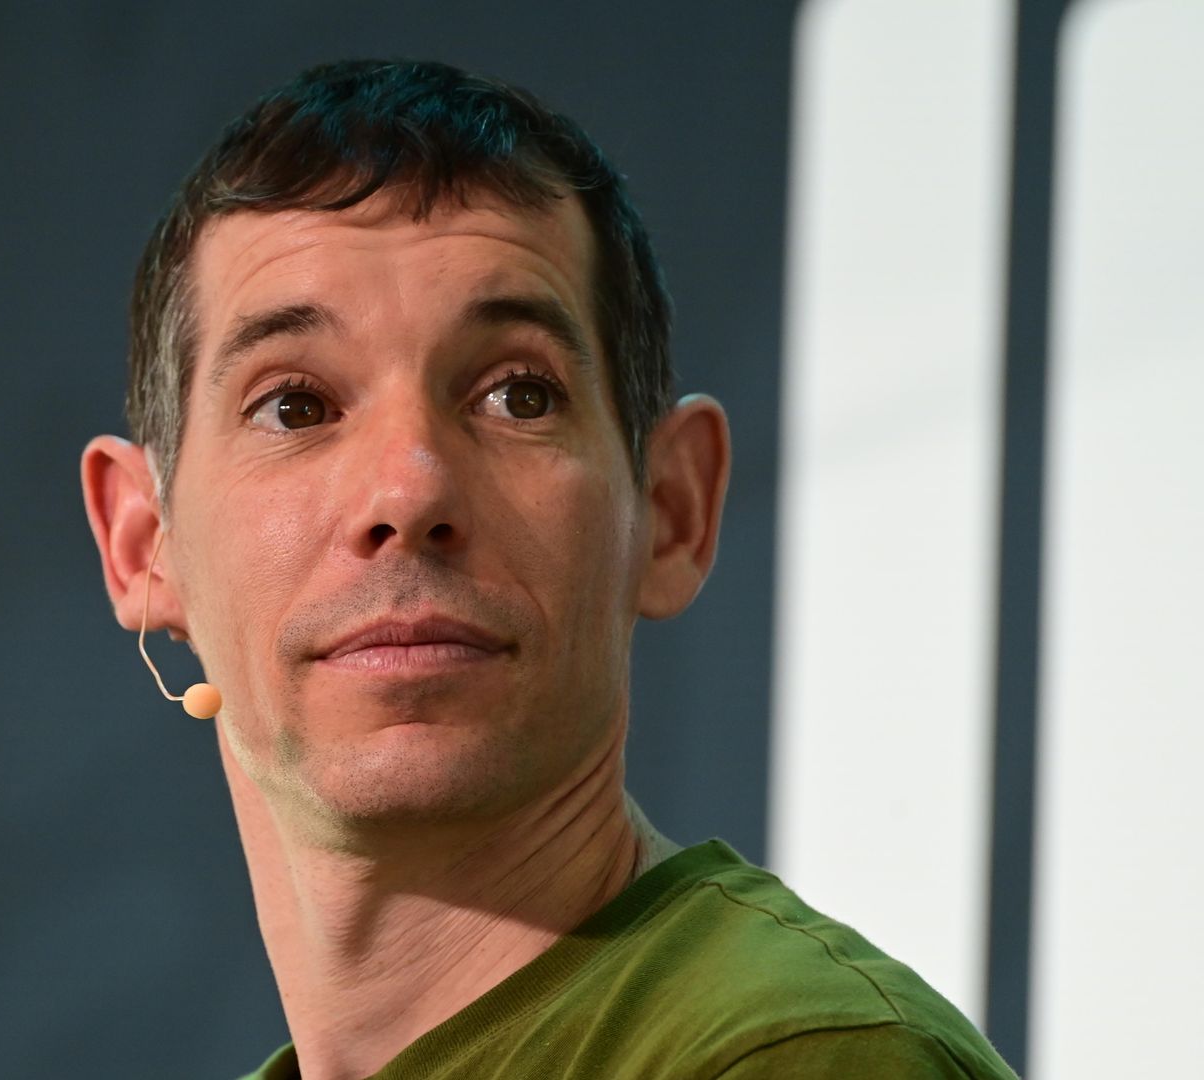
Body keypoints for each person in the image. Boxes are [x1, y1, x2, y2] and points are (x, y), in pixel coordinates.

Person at [79, 59, 1018, 1079]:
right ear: (143, 543)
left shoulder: (799, 1060)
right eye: (296, 405)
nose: (409, 492)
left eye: (517, 395)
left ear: (670, 511)